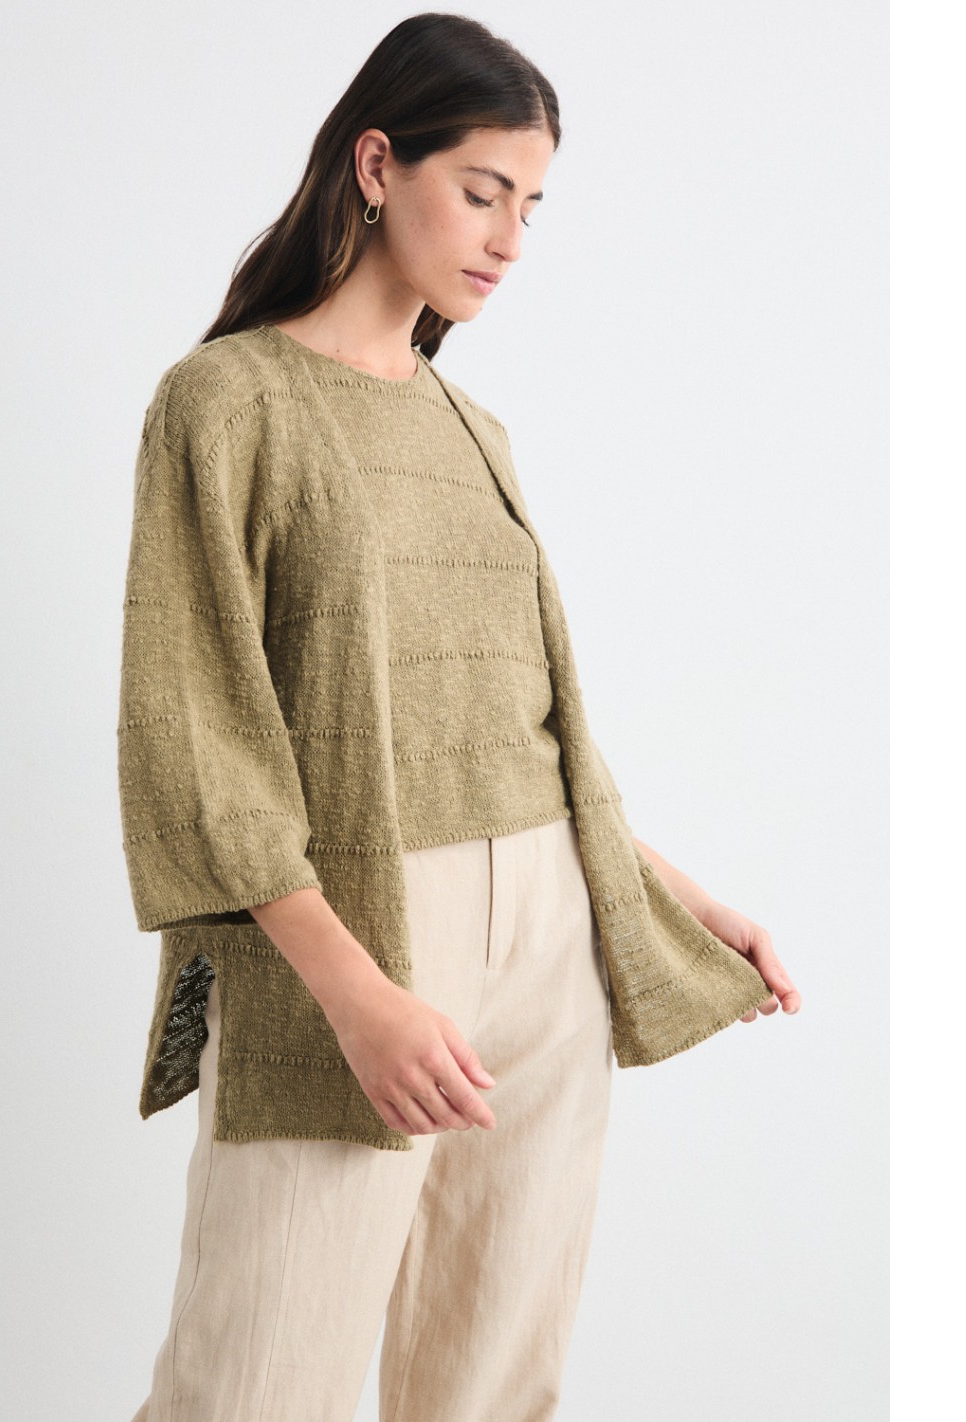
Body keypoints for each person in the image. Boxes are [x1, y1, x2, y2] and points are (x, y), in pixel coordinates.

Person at [117, 13, 800, 1421]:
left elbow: (520, 733)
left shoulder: (471, 428)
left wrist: (680, 898)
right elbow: (198, 742)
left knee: (492, 1385)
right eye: (484, 191)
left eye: (531, 206)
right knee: (255, 1381)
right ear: (378, 166)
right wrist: (358, 992)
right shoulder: (225, 403)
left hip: (551, 936)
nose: (509, 239)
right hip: (349, 932)